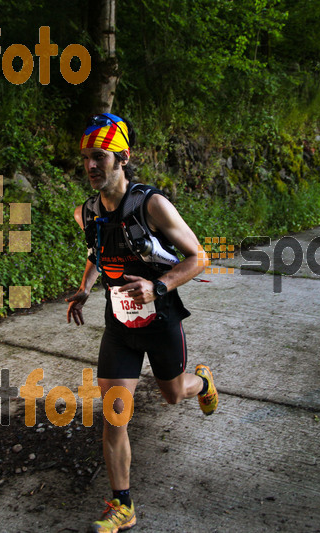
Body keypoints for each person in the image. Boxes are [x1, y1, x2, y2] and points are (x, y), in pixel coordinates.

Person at [65, 113, 219, 533]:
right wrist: (84, 288)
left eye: (101, 156)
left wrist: (159, 287)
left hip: (162, 319)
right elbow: (97, 252)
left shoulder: (151, 205)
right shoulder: (87, 213)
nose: (92, 165)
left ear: (123, 157)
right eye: (86, 158)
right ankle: (123, 505)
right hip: (119, 326)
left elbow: (199, 258)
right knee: (115, 414)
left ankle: (202, 383)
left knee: (172, 395)